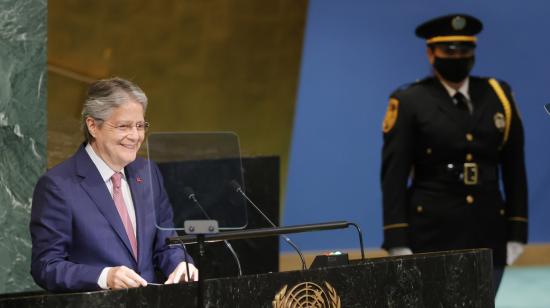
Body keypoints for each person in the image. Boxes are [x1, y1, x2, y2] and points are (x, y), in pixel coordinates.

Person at [380, 14, 528, 293]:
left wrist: (517, 229)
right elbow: (394, 175)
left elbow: (514, 167)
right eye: (449, 51)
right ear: (430, 53)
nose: (457, 56)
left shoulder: (499, 95)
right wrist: (396, 237)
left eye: (464, 50)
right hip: (432, 230)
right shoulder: (410, 101)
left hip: (488, 227)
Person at [30, 77, 198, 292]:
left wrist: (180, 264)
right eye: (123, 126)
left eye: (139, 125)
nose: (135, 136)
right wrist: (104, 277)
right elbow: (46, 266)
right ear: (93, 125)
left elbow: (167, 243)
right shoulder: (58, 185)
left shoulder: (148, 173)